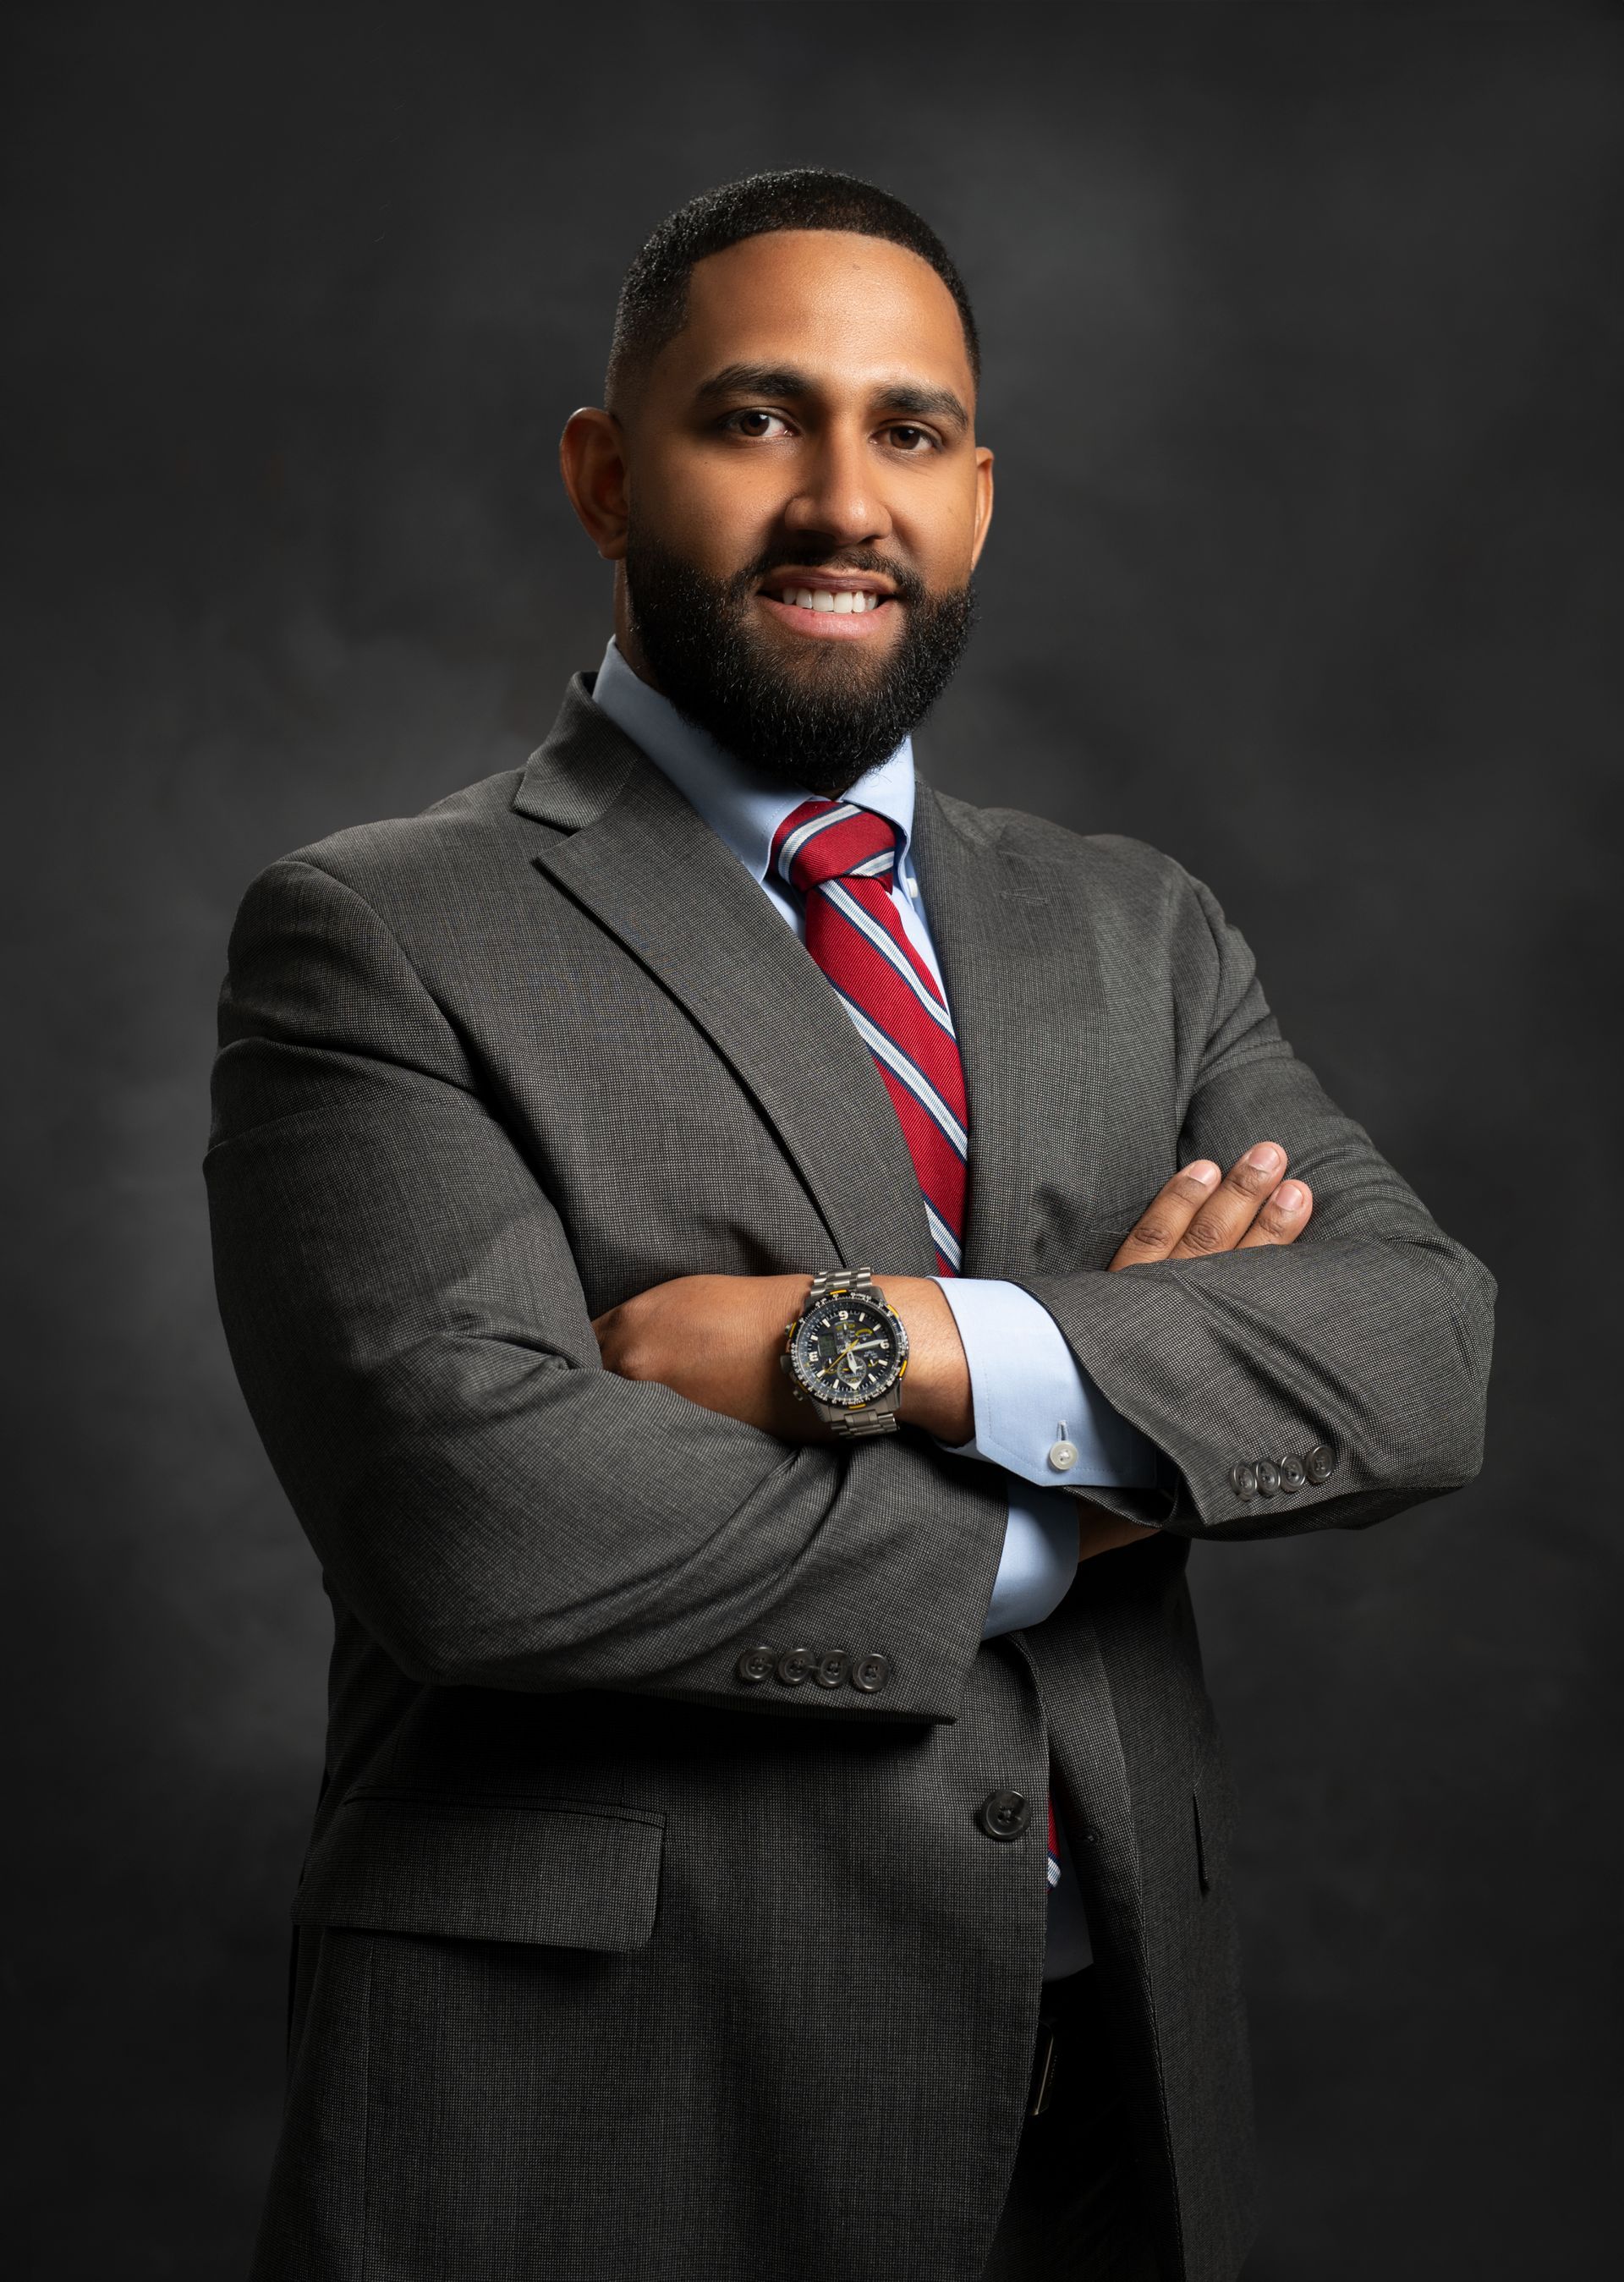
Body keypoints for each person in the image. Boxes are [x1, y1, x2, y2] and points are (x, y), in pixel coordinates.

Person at [206, 169, 1494, 2282]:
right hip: (612, 2098)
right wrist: (1091, 1486)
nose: (841, 499)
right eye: (755, 418)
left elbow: (1421, 1350)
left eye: (907, 432)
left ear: (978, 497)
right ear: (605, 474)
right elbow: (483, 1525)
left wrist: (886, 1346)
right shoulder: (378, 932)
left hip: (1118, 2097)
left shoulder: (1135, 930)